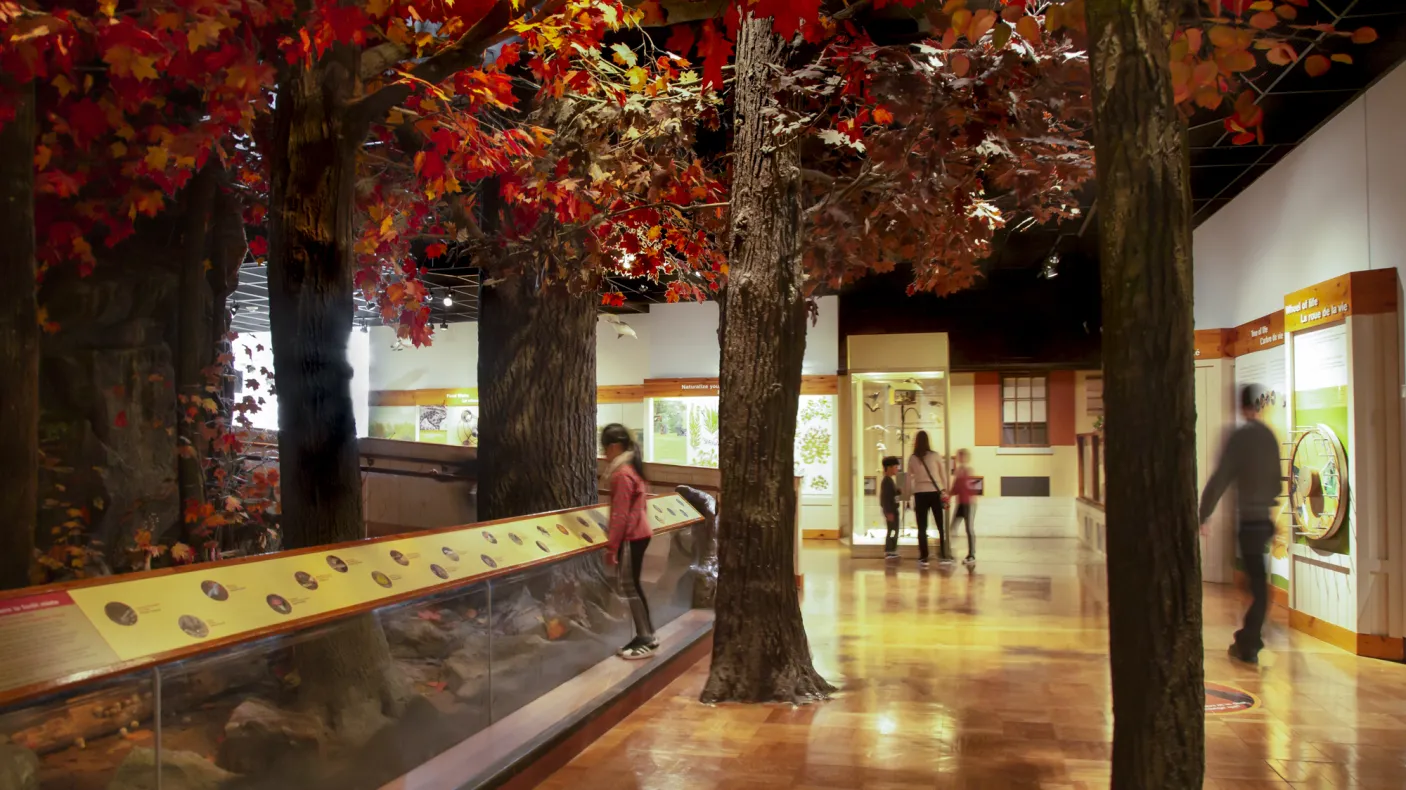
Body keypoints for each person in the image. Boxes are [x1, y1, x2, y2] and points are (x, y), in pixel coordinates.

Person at [1199, 384, 1282, 666]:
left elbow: (1220, 478)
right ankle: (1249, 637)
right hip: (1263, 522)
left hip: (1248, 522)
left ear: (1241, 406)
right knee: (1256, 580)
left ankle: (1248, 640)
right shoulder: (1269, 437)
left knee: (1257, 585)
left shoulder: (1239, 438)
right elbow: (1276, 482)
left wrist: (1204, 513)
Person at [601, 423, 657, 660]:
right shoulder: (632, 468)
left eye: (605, 448)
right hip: (640, 533)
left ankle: (646, 636)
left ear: (614, 447)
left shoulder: (622, 473)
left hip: (632, 536)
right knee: (632, 585)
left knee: (630, 586)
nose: (604, 454)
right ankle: (646, 634)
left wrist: (612, 546)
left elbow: (620, 514)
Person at [907, 430, 950, 568]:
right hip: (934, 492)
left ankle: (923, 556)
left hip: (919, 494)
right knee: (940, 525)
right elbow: (943, 475)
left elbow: (908, 478)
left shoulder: (912, 458)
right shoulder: (935, 456)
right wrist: (945, 491)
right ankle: (943, 554)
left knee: (922, 527)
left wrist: (907, 496)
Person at [949, 448, 977, 566]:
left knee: (969, 529)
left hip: (969, 504)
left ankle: (971, 555)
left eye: (961, 456)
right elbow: (956, 488)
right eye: (958, 456)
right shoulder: (959, 471)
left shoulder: (968, 471)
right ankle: (950, 552)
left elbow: (968, 487)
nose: (959, 458)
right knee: (952, 527)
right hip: (960, 503)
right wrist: (948, 495)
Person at [880, 456, 902, 559]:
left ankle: (892, 549)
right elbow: (885, 498)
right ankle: (889, 550)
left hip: (893, 510)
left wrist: (898, 493)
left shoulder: (889, 481)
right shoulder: (886, 481)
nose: (897, 469)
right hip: (891, 511)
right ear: (889, 467)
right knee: (892, 530)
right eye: (895, 466)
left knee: (894, 530)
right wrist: (888, 512)